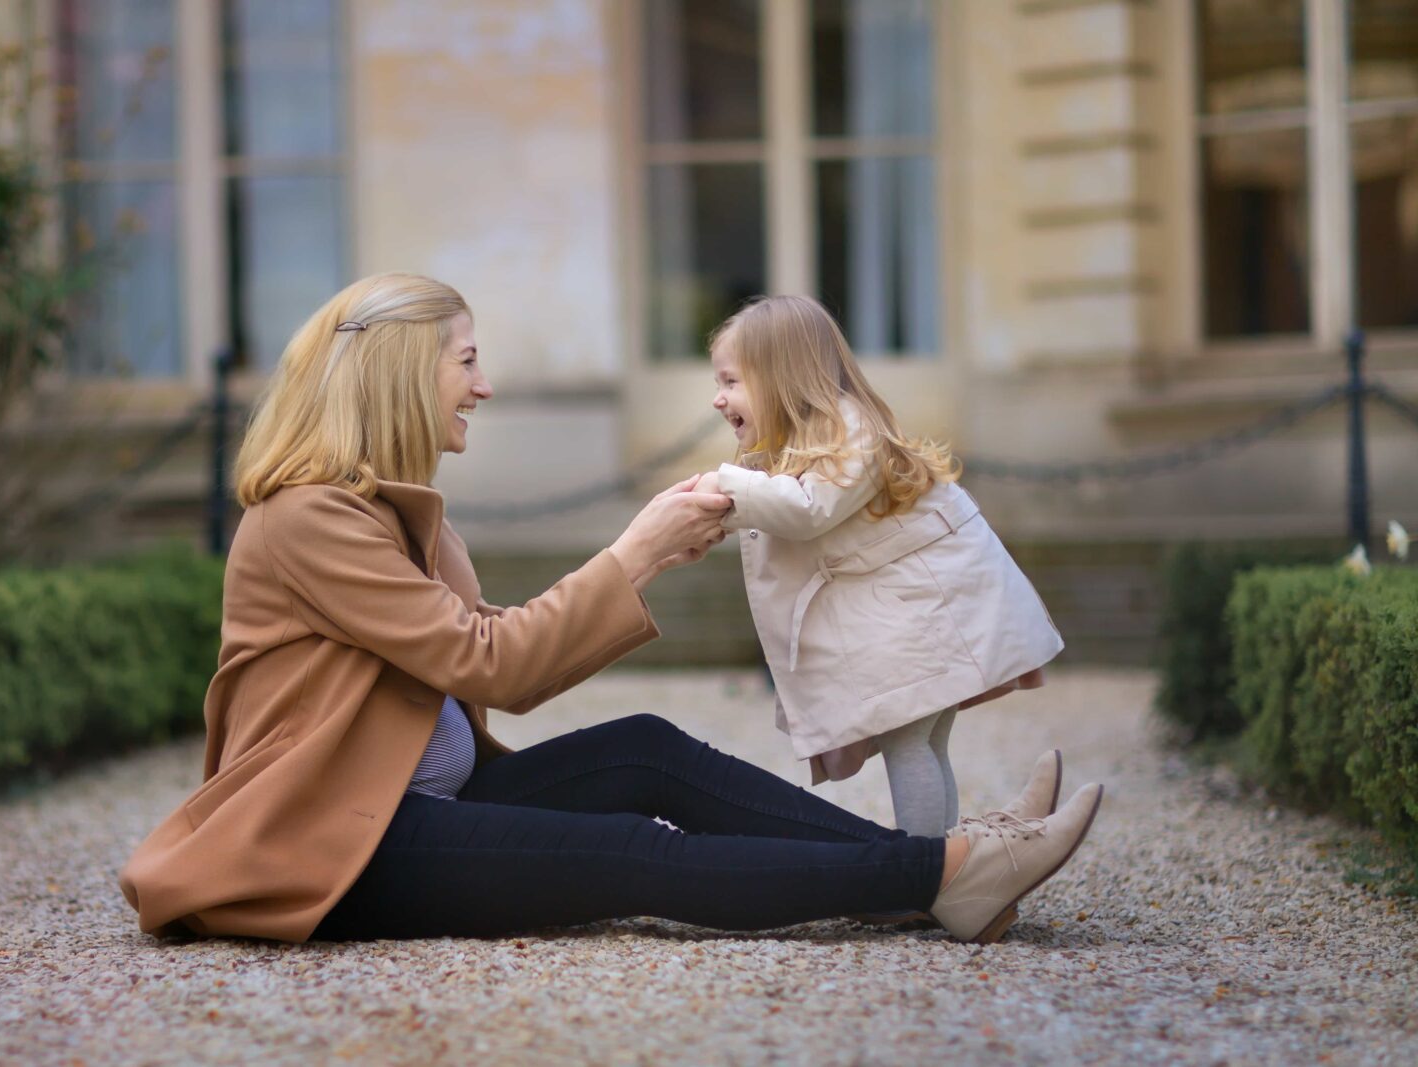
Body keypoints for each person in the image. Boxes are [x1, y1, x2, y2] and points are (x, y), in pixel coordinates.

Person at [118, 273, 1102, 948]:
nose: (484, 383)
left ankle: (935, 869)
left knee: (642, 747)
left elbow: (502, 656)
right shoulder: (307, 519)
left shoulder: (389, 515)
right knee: (634, 860)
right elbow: (493, 661)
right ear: (401, 371)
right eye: (465, 360)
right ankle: (944, 873)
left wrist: (639, 560)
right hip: (339, 846)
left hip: (411, 811)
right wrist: (631, 553)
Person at [694, 295, 1070, 839]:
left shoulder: (849, 429)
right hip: (919, 621)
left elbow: (807, 510)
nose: (717, 399)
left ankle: (922, 872)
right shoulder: (817, 439)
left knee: (911, 744)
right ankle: (943, 865)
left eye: (730, 382)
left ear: (780, 377)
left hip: (924, 623)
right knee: (922, 743)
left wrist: (723, 486)